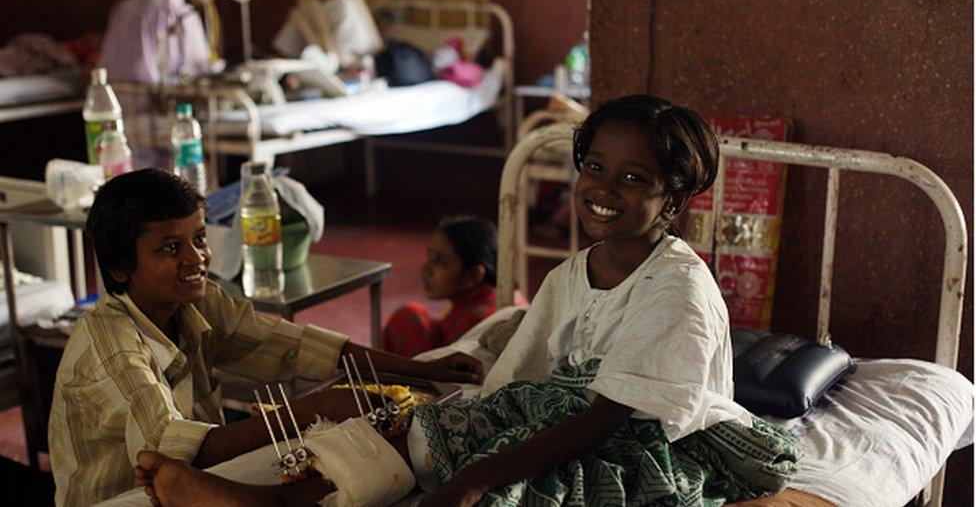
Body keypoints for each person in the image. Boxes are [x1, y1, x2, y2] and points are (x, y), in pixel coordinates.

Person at [133, 94, 799, 506]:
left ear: (673, 200)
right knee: (427, 429)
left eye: (634, 178)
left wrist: (471, 477)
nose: (603, 188)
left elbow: (598, 422)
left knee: (505, 483)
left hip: (647, 441)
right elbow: (527, 370)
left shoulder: (678, 287)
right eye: (594, 167)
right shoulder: (575, 271)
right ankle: (280, 498)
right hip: (573, 411)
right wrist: (463, 423)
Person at [47, 169, 482, 507]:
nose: (196, 258)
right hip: (122, 498)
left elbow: (289, 343)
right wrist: (315, 408)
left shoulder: (195, 302)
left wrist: (420, 368)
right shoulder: (110, 344)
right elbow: (170, 447)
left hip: (190, 479)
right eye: (169, 248)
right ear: (121, 268)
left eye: (199, 239)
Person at [382, 217, 501, 358]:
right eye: (429, 257)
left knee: (408, 318)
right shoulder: (493, 295)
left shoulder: (477, 320)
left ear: (474, 275)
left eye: (439, 261)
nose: (425, 269)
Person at [99, 0, 222, 84]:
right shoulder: (127, 12)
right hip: (130, 98)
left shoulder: (186, 14)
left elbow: (199, 65)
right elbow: (109, 69)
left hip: (178, 96)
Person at [272, 0, 382, 69]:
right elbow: (285, 49)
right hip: (320, 75)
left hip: (353, 74)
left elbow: (341, 55)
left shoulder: (344, 5)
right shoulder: (305, 10)